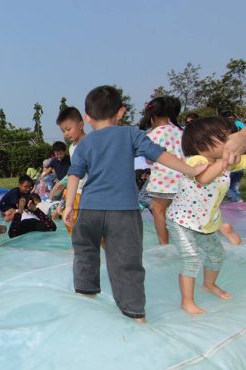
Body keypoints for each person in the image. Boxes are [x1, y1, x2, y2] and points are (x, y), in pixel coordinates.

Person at [63, 85, 206, 323]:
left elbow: (74, 176)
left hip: (89, 210)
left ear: (86, 118)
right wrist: (190, 170)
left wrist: (69, 206)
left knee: (86, 252)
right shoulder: (131, 134)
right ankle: (134, 312)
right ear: (121, 112)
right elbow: (160, 154)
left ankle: (86, 292)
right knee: (126, 261)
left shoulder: (84, 144)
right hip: (123, 212)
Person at [166, 117, 245, 315]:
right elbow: (203, 178)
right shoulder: (196, 161)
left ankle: (209, 285)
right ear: (202, 143)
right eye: (223, 137)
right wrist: (225, 162)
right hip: (181, 221)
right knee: (191, 258)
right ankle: (187, 301)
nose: (229, 142)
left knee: (217, 254)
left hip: (205, 223)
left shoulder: (223, 162)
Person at [139, 96, 184, 245]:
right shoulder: (180, 131)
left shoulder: (153, 135)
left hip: (163, 180)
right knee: (178, 214)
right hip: (183, 179)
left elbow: (150, 159)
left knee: (157, 210)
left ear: (152, 116)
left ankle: (164, 245)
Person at [52, 107, 87, 233]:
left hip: (86, 192)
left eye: (68, 129)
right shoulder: (72, 147)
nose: (66, 133)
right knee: (72, 226)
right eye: (63, 131)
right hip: (74, 192)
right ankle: (76, 249)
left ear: (81, 125)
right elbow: (73, 173)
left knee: (85, 228)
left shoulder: (90, 143)